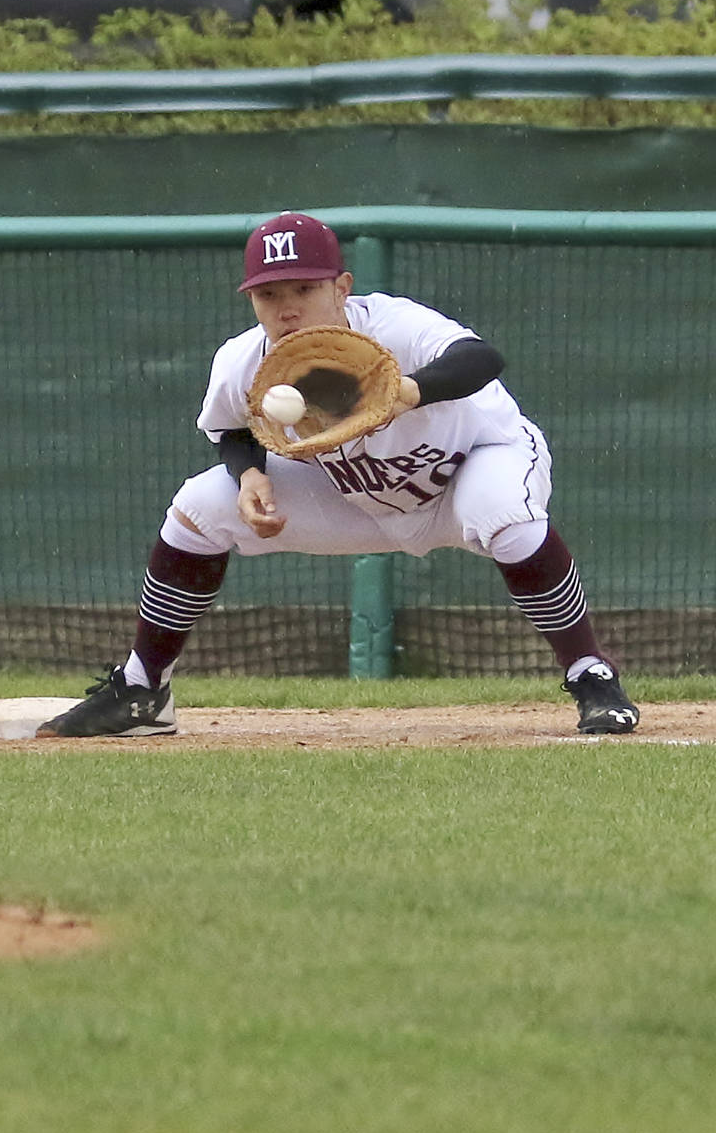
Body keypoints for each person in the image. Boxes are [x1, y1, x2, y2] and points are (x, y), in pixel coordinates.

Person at [38, 211, 640, 739]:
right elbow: (232, 430)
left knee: (504, 517)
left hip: (472, 465)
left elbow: (482, 359)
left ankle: (591, 674)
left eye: (305, 287)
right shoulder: (244, 361)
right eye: (270, 294)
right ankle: (143, 690)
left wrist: (407, 389)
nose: (287, 306)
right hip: (361, 497)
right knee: (199, 507)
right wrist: (250, 478)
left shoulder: (393, 327)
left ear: (342, 287)